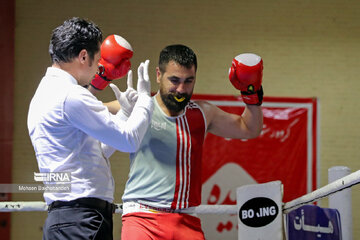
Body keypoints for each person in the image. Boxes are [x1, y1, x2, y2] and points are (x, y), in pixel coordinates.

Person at [116, 44, 264, 239]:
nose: (181, 89)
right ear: (159, 75)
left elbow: (250, 128)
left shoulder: (203, 113)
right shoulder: (138, 107)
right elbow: (86, 114)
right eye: (174, 80)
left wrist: (251, 93)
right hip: (142, 217)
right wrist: (99, 81)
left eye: (188, 81)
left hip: (187, 220)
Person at [27, 17, 153, 240]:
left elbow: (98, 151)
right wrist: (145, 100)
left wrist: (124, 113)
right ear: (84, 56)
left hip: (69, 219)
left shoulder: (44, 93)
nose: (98, 68)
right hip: (81, 219)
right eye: (97, 60)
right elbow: (128, 140)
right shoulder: (70, 96)